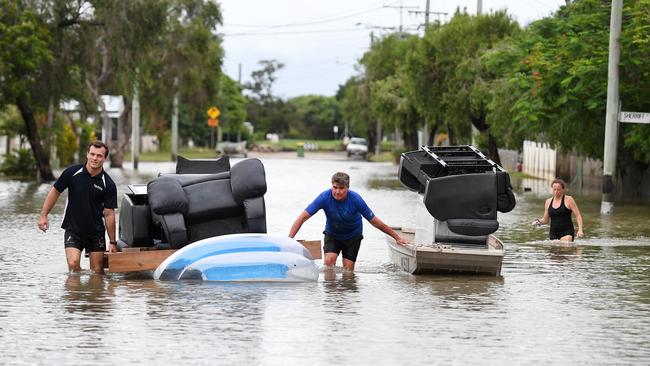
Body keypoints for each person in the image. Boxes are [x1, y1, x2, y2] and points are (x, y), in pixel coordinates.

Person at [289, 172, 408, 271]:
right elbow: (302, 217)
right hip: (333, 234)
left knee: (348, 271)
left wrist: (397, 237)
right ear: (332, 186)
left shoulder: (356, 200)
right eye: (335, 187)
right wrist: (289, 239)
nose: (337, 192)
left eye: (341, 188)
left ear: (347, 188)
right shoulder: (324, 197)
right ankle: (331, 293)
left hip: (353, 236)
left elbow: (376, 222)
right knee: (329, 261)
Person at [38, 141, 118, 274]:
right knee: (73, 265)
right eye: (92, 154)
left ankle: (91, 292)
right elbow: (55, 192)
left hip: (96, 232)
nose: (94, 158)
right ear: (87, 154)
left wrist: (113, 242)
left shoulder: (108, 184)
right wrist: (43, 215)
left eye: (99, 156)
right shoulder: (72, 172)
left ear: (104, 158)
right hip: (73, 229)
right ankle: (77, 292)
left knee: (97, 271)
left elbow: (109, 214)